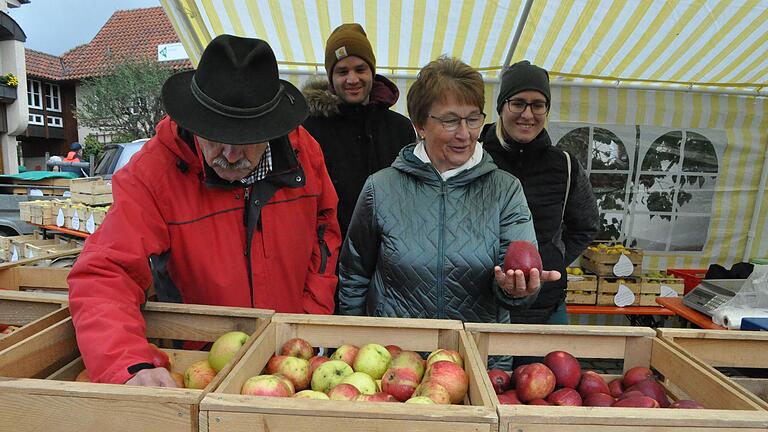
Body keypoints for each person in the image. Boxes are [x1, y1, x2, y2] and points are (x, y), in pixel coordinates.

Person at [67, 35, 341, 386]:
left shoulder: (305, 153)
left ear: (271, 129)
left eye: (244, 139)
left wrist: (309, 320)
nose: (228, 154)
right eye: (214, 136)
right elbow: (106, 271)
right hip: (201, 365)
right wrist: (129, 362)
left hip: (290, 358)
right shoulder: (154, 172)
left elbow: (325, 233)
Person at [338, 56, 561, 323]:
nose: (464, 134)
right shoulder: (381, 188)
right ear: (420, 124)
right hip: (394, 354)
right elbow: (354, 275)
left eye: (473, 119)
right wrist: (354, 337)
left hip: (476, 354)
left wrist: (517, 289)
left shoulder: (505, 190)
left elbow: (515, 280)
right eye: (450, 121)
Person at [480, 60, 599, 325]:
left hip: (545, 307)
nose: (528, 114)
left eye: (538, 105)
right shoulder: (474, 157)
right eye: (518, 103)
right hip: (481, 302)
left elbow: (586, 225)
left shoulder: (565, 166)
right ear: (501, 106)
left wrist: (551, 256)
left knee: (547, 368)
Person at [302, 23, 415, 238]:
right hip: (334, 254)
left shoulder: (400, 128)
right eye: (342, 71)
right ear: (331, 78)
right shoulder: (310, 129)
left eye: (360, 69)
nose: (352, 79)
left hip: (390, 253)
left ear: (372, 71)